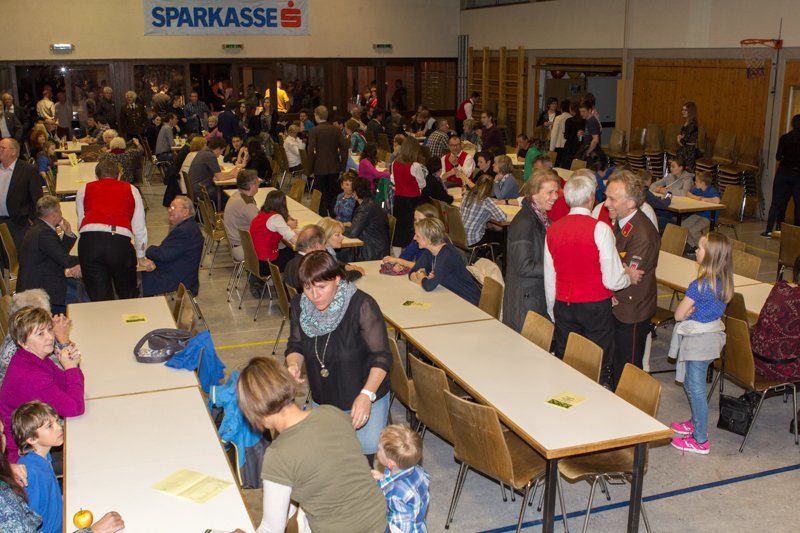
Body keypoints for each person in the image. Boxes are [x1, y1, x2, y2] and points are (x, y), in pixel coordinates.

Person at [236, 356, 387, 532]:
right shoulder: (332, 412)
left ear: (254, 410)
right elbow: (323, 475)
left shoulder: (278, 455)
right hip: (381, 522)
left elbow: (272, 529)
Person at [285, 251, 391, 461]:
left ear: (337, 279)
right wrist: (293, 364)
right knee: (333, 460)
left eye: (321, 287)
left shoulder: (362, 305)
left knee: (362, 463)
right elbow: (295, 344)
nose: (314, 296)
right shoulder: (299, 305)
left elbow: (382, 357)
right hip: (324, 397)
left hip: (364, 396)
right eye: (307, 288)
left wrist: (366, 396)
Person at [544, 174, 643, 365]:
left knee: (567, 359)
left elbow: (550, 278)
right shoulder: (601, 229)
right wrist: (628, 278)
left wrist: (552, 309)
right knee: (597, 361)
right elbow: (612, 280)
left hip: (563, 304)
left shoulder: (552, 230)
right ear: (591, 198)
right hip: (595, 306)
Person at [669, 233, 732, 455]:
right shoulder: (723, 282)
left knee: (695, 388)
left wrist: (687, 313)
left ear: (710, 256)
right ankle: (696, 421)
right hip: (711, 338)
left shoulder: (698, 286)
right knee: (691, 382)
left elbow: (678, 315)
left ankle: (701, 439)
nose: (696, 250)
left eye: (700, 248)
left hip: (698, 342)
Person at [0, 307, 84, 463]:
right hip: (25, 457)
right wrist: (71, 368)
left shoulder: (33, 357)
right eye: (40, 334)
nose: (50, 337)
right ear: (23, 342)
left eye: (50, 330)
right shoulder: (31, 376)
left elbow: (65, 385)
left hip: (39, 437)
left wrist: (71, 367)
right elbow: (75, 408)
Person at [603, 171, 660, 389]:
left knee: (627, 370)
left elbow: (630, 277)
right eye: (606, 197)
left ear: (631, 202)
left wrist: (615, 281)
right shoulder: (623, 222)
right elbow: (616, 268)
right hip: (617, 304)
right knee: (614, 362)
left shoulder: (643, 234)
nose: (606, 203)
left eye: (612, 199)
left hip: (631, 309)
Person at [76, 159, 148, 301]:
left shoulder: (84, 189)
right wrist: (141, 256)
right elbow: (139, 227)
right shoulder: (131, 189)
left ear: (96, 176)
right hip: (118, 243)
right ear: (119, 175)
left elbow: (81, 223)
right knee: (127, 294)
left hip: (90, 243)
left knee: (99, 297)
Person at [502, 170, 560, 332]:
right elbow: (524, 266)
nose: (555, 197)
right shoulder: (525, 222)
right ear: (534, 193)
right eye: (550, 192)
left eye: (556, 192)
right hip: (525, 301)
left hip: (534, 295)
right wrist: (556, 267)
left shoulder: (541, 219)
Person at [16, 196, 81, 314]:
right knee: (83, 296)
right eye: (59, 210)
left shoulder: (40, 226)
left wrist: (67, 233)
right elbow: (65, 260)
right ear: (54, 214)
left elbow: (57, 253)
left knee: (80, 286)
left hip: (42, 277)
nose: (61, 213)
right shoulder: (44, 233)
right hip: (41, 287)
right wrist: (88, 260)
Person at [0, 290, 72, 388]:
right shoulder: (23, 348)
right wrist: (63, 340)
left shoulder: (25, 333)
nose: (51, 316)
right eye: (45, 315)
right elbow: (65, 374)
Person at [13, 401, 65, 533]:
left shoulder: (44, 456)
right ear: (31, 439)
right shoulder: (29, 475)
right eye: (50, 426)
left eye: (57, 421)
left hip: (62, 518)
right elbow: (32, 523)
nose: (59, 427)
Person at [140, 196, 203, 297]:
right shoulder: (189, 226)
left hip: (176, 278)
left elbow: (163, 255)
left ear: (185, 212)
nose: (169, 210)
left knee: (136, 281)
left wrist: (149, 250)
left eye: (173, 207)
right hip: (179, 272)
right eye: (169, 207)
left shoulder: (183, 231)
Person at [372, 425, 430, 533]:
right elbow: (400, 481)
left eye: (379, 449)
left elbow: (402, 529)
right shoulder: (418, 471)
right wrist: (383, 478)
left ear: (390, 463)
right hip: (418, 524)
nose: (376, 449)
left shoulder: (395, 496)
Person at [409, 218, 481, 305]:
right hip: (450, 296)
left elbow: (428, 286)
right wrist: (423, 278)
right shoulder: (429, 251)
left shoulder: (447, 255)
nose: (414, 238)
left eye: (417, 236)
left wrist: (421, 277)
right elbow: (412, 272)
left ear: (428, 239)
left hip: (468, 300)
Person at [0, 139, 44, 250]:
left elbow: (37, 198)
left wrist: (30, 220)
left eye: (2, 148)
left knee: (19, 257)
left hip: (19, 224)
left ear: (13, 151)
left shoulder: (28, 170)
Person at [763, 113, 800, 237]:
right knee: (798, 205)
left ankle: (768, 230)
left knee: (776, 203)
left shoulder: (785, 138)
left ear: (792, 124)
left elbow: (778, 156)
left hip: (783, 173)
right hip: (797, 175)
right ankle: (796, 234)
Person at [308, 106, 349, 217]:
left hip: (319, 167)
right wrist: (342, 166)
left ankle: (323, 218)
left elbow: (310, 152)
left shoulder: (314, 131)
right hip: (334, 167)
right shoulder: (336, 130)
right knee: (332, 195)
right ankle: (334, 217)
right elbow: (345, 148)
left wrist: (310, 169)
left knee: (321, 195)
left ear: (317, 116)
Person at [250, 190, 297, 272]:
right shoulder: (276, 218)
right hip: (267, 264)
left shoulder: (262, 213)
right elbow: (295, 240)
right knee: (297, 255)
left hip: (255, 260)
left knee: (288, 250)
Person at [391, 137, 427, 248]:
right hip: (412, 201)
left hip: (399, 200)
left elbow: (393, 179)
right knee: (412, 230)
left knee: (399, 230)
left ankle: (398, 255)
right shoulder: (415, 166)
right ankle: (411, 252)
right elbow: (422, 184)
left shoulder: (394, 163)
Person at [187, 136, 240, 211]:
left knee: (224, 190)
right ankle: (223, 215)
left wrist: (230, 173)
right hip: (202, 192)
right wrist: (233, 174)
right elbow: (220, 177)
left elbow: (216, 175)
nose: (221, 153)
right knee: (230, 197)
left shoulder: (203, 152)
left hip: (196, 189)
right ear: (218, 148)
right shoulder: (210, 156)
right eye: (222, 151)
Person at [345, 177, 390, 262]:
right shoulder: (371, 203)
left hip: (371, 252)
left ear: (355, 193)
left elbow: (352, 233)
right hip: (376, 249)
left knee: (336, 255)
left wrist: (339, 229)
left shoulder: (366, 208)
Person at [460, 174, 507, 248]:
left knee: (489, 229)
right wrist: (489, 214)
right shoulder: (486, 200)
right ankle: (491, 254)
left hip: (460, 236)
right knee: (502, 236)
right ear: (491, 189)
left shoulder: (466, 194)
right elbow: (502, 217)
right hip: (473, 239)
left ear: (477, 183)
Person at [223, 170, 260, 263]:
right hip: (242, 248)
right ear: (252, 186)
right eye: (257, 182)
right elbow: (264, 224)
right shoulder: (246, 203)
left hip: (234, 243)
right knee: (278, 244)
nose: (259, 184)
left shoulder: (237, 195)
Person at [682, 172, 720, 251]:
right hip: (698, 214)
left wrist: (703, 199)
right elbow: (688, 194)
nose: (695, 182)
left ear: (702, 183)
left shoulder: (711, 190)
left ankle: (704, 249)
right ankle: (693, 245)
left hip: (709, 217)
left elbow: (717, 200)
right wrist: (696, 197)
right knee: (682, 226)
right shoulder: (697, 189)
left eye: (696, 181)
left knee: (693, 230)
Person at [559, 101, 584, 169]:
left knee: (566, 167)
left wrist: (565, 133)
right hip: (579, 146)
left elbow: (566, 136)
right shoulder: (583, 120)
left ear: (571, 110)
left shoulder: (569, 120)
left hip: (569, 147)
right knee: (577, 167)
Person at [577, 99, 602, 165]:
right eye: (580, 111)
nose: (581, 114)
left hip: (592, 152)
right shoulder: (589, 120)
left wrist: (588, 152)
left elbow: (595, 139)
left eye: (583, 111)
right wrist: (584, 134)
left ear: (590, 110)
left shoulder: (591, 121)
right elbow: (591, 134)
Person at [677, 101, 699, 171]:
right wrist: (680, 139)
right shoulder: (687, 122)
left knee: (686, 172)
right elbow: (682, 137)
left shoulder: (692, 125)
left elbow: (683, 141)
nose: (683, 111)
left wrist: (679, 139)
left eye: (685, 110)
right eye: (682, 109)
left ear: (691, 111)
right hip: (684, 150)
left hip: (689, 152)